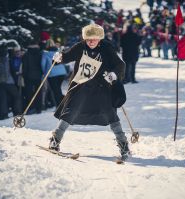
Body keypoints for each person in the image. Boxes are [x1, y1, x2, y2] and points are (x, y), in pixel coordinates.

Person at [48, 24, 131, 161]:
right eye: (88, 39)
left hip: (102, 87)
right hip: (81, 86)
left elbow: (120, 65)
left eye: (94, 39)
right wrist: (59, 58)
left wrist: (114, 75)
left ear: (99, 39)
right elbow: (67, 56)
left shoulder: (106, 48)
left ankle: (124, 146)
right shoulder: (80, 47)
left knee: (111, 115)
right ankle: (55, 140)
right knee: (70, 111)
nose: (91, 42)